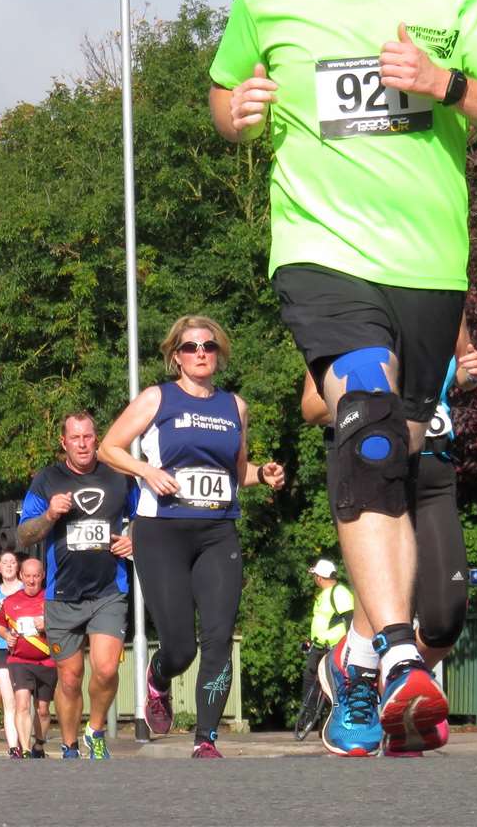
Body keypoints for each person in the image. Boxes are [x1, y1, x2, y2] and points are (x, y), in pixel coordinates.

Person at [207, 0, 477, 757]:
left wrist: (447, 84)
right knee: (362, 421)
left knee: (396, 448)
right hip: (319, 251)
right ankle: (397, 654)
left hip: (430, 267)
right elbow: (224, 90)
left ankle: (352, 663)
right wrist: (238, 115)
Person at [98, 315, 287, 757]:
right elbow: (109, 447)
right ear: (175, 357)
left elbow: (237, 474)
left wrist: (265, 474)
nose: (200, 353)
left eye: (208, 346)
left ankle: (206, 739)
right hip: (161, 531)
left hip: (218, 533)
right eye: (190, 347)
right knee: (181, 646)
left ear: (218, 354)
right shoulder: (156, 398)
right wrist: (147, 470)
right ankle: (160, 677)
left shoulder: (235, 407)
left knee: (218, 637)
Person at [301, 317, 477, 755]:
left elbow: (455, 370)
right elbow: (311, 407)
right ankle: (362, 687)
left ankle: (399, 695)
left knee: (445, 618)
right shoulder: (350, 312)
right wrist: (376, 408)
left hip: (434, 469)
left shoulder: (440, 304)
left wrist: (469, 372)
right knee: (388, 594)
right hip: (375, 465)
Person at [16, 410, 136, 760]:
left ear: (96, 438)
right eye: (75, 438)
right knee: (69, 678)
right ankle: (69, 746)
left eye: (88, 437)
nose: (82, 444)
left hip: (108, 590)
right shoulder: (47, 480)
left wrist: (135, 539)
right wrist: (50, 515)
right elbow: (24, 534)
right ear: (63, 442)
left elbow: (146, 516)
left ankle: (95, 730)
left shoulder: (117, 475)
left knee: (107, 668)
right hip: (62, 595)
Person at [0, 557, 55, 757]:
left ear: (43, 576)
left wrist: (48, 625)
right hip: (19, 661)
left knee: (43, 710)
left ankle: (39, 744)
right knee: (22, 703)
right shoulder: (11, 601)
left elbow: (66, 625)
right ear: (21, 576)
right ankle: (25, 749)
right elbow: (0, 624)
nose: (31, 580)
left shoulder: (51, 599)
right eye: (27, 576)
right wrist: (7, 636)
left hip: (47, 660)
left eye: (36, 576)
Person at [300, 558, 354, 726]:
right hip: (319, 646)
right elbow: (322, 622)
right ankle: (308, 718)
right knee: (310, 678)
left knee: (333, 684)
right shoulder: (324, 595)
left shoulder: (340, 593)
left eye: (315, 575)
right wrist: (310, 641)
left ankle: (334, 720)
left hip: (334, 647)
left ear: (320, 578)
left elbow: (350, 619)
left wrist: (349, 645)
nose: (314, 579)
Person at [0, 551, 24, 757]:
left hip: (25, 649)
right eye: (5, 563)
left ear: (18, 567)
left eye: (12, 562)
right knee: (9, 701)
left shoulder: (27, 588)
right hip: (0, 649)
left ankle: (29, 743)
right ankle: (13, 747)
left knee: (23, 700)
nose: (9, 565)